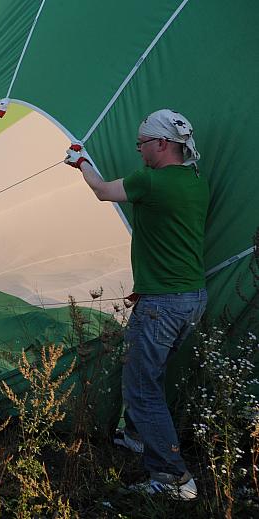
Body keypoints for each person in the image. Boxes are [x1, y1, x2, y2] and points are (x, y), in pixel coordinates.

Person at [65, 109, 208, 500]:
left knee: (142, 387)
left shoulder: (151, 181)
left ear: (162, 144)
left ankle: (173, 479)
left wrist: (81, 161)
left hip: (163, 303)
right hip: (191, 298)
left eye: (142, 144)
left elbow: (101, 191)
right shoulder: (197, 181)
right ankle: (138, 437)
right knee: (151, 373)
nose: (139, 151)